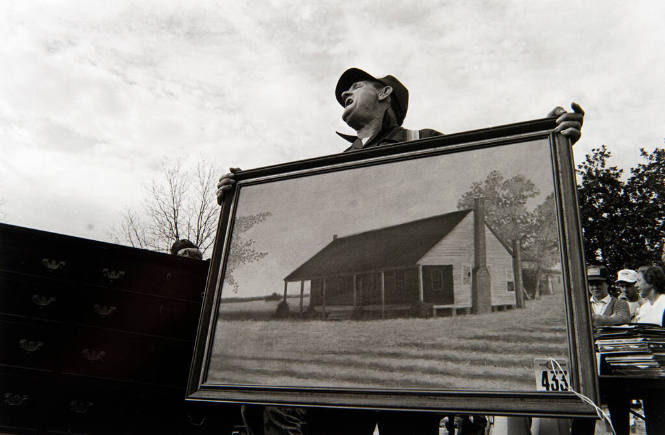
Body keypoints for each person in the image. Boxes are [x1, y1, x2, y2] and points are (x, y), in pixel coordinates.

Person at [216, 68, 584, 435]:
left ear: (385, 93)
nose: (345, 92)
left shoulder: (420, 140)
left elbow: (494, 158)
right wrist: (239, 198)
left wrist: (547, 137)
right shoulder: (335, 163)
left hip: (413, 365)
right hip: (341, 359)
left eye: (356, 85)